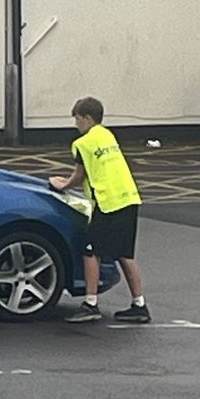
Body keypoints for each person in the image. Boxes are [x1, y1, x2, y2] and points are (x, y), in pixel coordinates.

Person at [50, 97, 149, 324]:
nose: (76, 124)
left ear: (86, 118)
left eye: (77, 119)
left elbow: (79, 175)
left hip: (108, 203)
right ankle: (140, 305)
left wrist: (62, 184)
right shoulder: (107, 135)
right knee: (125, 254)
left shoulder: (82, 143)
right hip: (129, 198)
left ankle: (90, 304)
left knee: (90, 251)